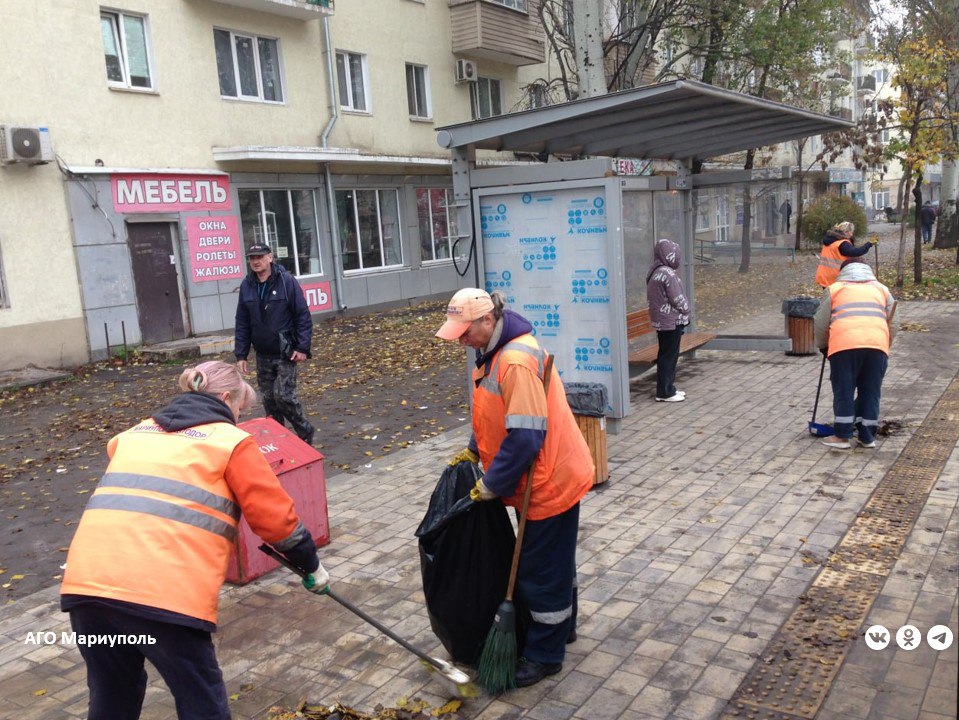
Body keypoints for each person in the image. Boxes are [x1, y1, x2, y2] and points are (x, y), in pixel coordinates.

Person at [60, 360, 328, 720]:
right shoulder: (231, 442)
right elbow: (277, 523)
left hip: (86, 590)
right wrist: (312, 566)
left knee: (113, 693)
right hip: (162, 596)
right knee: (202, 702)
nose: (238, 418)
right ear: (226, 398)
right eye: (240, 408)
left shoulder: (134, 434)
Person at [436, 288, 593, 688]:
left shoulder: (515, 361)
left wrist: (492, 484)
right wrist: (474, 449)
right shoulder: (492, 354)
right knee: (554, 561)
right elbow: (493, 413)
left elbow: (525, 438)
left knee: (540, 572)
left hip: (549, 480)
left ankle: (545, 655)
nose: (461, 339)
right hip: (540, 476)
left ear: (487, 320)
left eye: (464, 331)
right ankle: (563, 629)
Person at [235, 243, 315, 445]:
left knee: (284, 396)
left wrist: (302, 347)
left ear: (270, 257)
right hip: (262, 353)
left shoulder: (286, 281)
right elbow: (242, 322)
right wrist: (241, 355)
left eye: (260, 257)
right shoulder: (247, 285)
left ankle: (305, 431)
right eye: (252, 258)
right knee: (269, 400)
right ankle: (279, 440)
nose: (256, 261)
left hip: (286, 352)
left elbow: (302, 315)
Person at [813, 260, 897, 450]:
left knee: (844, 389)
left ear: (842, 272)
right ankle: (867, 438)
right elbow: (894, 320)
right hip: (877, 346)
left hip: (844, 346)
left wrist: (824, 346)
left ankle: (842, 436)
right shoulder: (882, 290)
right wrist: (885, 344)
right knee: (871, 391)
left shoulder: (834, 289)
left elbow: (820, 322)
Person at [646, 238, 690, 402]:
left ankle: (668, 388)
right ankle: (665, 392)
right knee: (669, 356)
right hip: (671, 321)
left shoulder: (655, 271)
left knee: (666, 354)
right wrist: (686, 310)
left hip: (662, 321)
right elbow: (677, 298)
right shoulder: (668, 274)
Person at [815, 221, 877, 288]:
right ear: (846, 232)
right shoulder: (842, 244)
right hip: (835, 277)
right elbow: (856, 252)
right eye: (851, 232)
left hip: (824, 275)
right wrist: (869, 244)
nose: (852, 235)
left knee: (829, 294)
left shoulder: (830, 241)